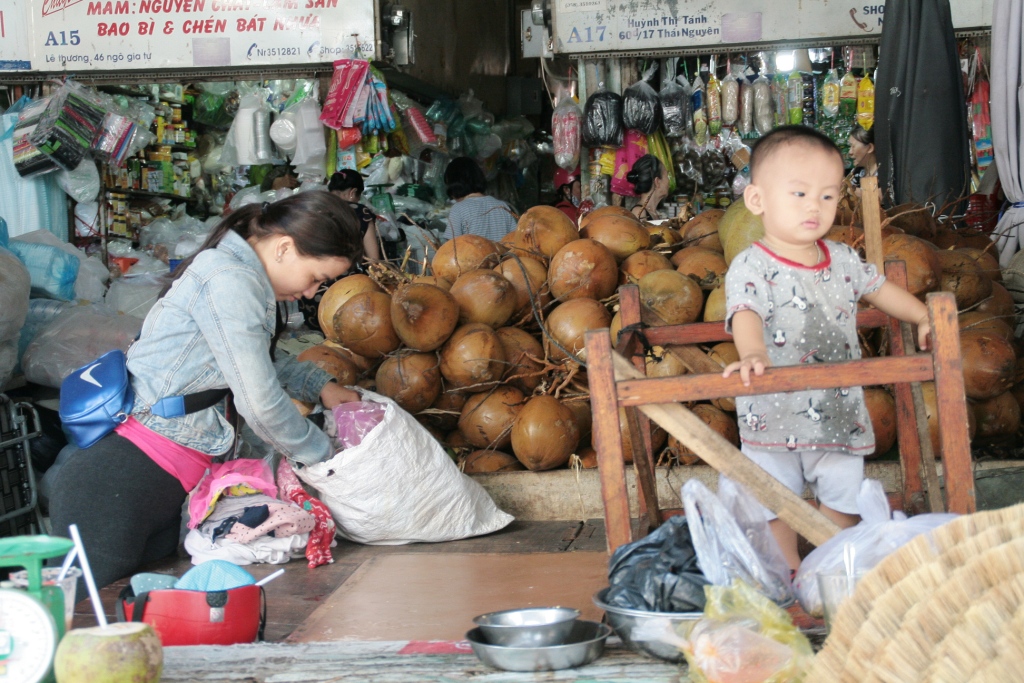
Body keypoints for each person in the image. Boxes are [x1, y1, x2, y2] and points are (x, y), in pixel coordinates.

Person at [47, 192, 364, 591]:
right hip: (116, 484)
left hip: (154, 486)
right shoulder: (230, 280)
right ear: (284, 248)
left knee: (143, 614)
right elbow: (260, 402)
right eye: (315, 278)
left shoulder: (240, 277)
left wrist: (323, 387)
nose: (308, 292)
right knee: (87, 622)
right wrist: (327, 461)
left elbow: (248, 361)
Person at [720, 126, 931, 571]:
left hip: (837, 411)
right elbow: (745, 311)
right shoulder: (751, 264)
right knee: (773, 501)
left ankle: (830, 570)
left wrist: (922, 316)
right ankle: (788, 571)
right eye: (798, 193)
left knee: (843, 497)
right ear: (757, 200)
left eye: (828, 196)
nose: (815, 206)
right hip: (770, 410)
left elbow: (880, 290)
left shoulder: (843, 259)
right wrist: (753, 351)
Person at [441, 157, 517, 242]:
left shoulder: (458, 209)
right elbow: (515, 241)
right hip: (503, 255)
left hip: (472, 255)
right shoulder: (503, 206)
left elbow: (451, 248)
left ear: (454, 186)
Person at [327, 170, 382, 263]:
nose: (358, 200)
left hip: (318, 275)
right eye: (359, 197)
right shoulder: (362, 212)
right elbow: (374, 260)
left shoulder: (316, 208)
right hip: (352, 276)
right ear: (352, 192)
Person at [627, 154, 670, 221]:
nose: (668, 181)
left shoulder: (655, 213)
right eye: (667, 176)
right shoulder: (639, 213)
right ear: (657, 182)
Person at [847, 124, 877, 194]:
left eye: (853, 146)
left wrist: (849, 190)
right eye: (850, 147)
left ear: (870, 148)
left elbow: (879, 196)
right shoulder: (857, 172)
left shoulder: (883, 174)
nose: (850, 152)